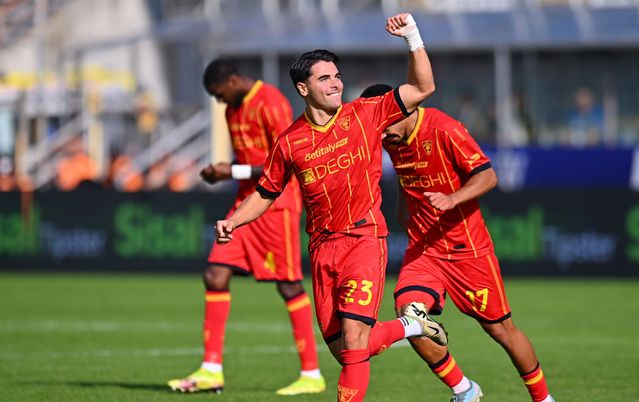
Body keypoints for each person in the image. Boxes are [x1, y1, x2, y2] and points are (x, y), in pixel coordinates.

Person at [215, 14, 447, 402]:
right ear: (303, 88)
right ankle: (410, 326)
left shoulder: (366, 113)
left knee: (356, 340)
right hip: (322, 248)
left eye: (336, 75)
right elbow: (267, 191)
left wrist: (412, 36)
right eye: (325, 78)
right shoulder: (290, 141)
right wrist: (234, 221)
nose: (336, 82)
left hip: (364, 238)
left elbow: (424, 86)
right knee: (346, 351)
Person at [361, 83, 556, 402]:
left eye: (382, 126)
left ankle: (543, 398)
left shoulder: (444, 128)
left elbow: (488, 176)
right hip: (424, 249)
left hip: (467, 252)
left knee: (500, 330)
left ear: (401, 109)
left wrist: (453, 198)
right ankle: (464, 389)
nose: (380, 137)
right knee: (411, 316)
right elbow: (404, 173)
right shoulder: (392, 137)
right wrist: (401, 206)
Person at [168, 59, 325, 396]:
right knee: (215, 274)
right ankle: (211, 369)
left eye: (218, 93)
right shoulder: (231, 111)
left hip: (276, 205)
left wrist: (233, 172)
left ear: (233, 81)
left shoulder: (269, 102)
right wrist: (227, 170)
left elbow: (286, 161)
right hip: (244, 205)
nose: (218, 101)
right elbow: (249, 160)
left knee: (288, 286)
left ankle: (312, 373)